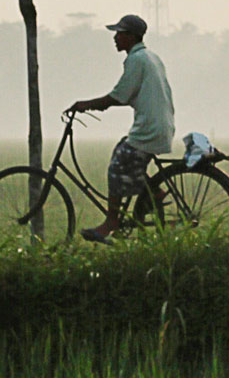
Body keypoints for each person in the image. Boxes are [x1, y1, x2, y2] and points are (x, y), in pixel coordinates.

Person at [67, 13, 175, 243]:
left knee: (117, 166)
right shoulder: (150, 57)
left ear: (131, 37)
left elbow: (119, 96)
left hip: (149, 129)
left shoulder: (137, 60)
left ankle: (111, 221)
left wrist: (85, 105)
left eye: (119, 34)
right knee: (122, 151)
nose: (115, 38)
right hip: (158, 125)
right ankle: (152, 191)